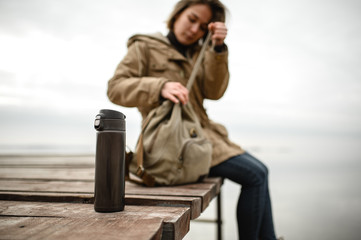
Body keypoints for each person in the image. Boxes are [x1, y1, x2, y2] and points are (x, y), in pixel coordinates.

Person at [107, 0, 279, 239]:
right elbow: (115, 88)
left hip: (202, 136)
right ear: (178, 14)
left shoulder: (201, 52)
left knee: (260, 172)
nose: (194, 29)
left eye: (203, 27)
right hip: (173, 141)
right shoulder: (144, 47)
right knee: (256, 175)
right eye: (192, 19)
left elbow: (215, 91)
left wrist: (217, 48)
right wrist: (159, 86)